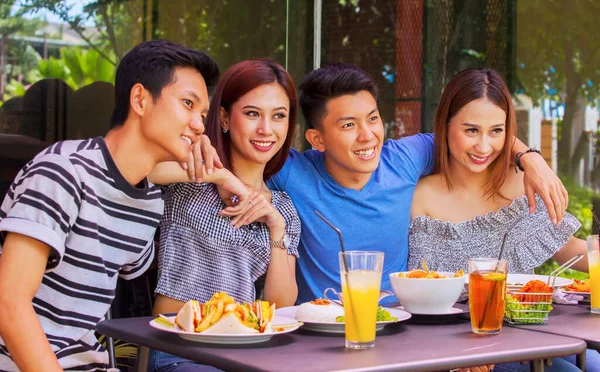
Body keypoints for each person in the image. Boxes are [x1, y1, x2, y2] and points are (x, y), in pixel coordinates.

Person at [0, 40, 223, 372]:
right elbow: (8, 304)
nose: (199, 126)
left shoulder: (146, 200)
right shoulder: (62, 172)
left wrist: (223, 180)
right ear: (140, 99)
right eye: (187, 104)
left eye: (202, 114)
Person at [264, 63, 569, 303]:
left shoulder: (403, 159)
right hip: (322, 336)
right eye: (348, 125)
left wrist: (531, 159)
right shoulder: (291, 171)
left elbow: (476, 136)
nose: (367, 135)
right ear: (317, 139)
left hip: (402, 334)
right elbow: (242, 155)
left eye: (372, 118)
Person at [408, 68, 594, 372]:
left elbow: (568, 251)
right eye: (471, 131)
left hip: (530, 336)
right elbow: (419, 296)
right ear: (445, 125)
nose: (484, 147)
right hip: (459, 349)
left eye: (496, 131)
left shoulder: (520, 182)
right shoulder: (421, 196)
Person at [148, 59, 301, 372]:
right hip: (180, 350)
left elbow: (282, 306)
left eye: (279, 116)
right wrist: (220, 177)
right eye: (252, 113)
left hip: (247, 353)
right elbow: (145, 167)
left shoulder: (283, 208)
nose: (266, 129)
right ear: (224, 118)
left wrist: (277, 226)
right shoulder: (191, 175)